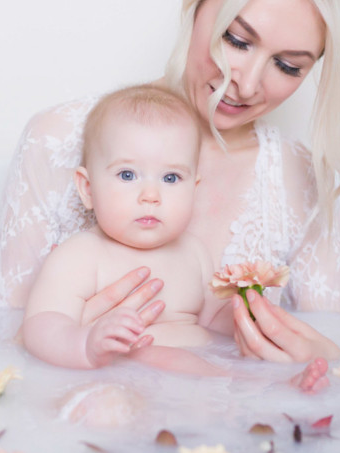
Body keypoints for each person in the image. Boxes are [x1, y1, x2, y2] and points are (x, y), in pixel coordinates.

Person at [0, 0, 340, 363]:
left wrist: (323, 357)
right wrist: (81, 340)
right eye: (237, 39)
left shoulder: (299, 179)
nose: (245, 83)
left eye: (289, 65)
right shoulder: (59, 140)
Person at [22, 85, 229, 374]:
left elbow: (215, 319)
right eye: (127, 175)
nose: (150, 195)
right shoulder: (81, 256)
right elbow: (40, 326)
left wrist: (246, 317)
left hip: (200, 379)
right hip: (121, 381)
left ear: (194, 189)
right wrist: (85, 345)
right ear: (88, 189)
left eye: (171, 177)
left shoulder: (193, 252)